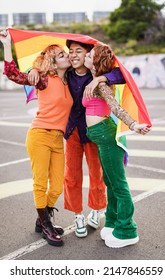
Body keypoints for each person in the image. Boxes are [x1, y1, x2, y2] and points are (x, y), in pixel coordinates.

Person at [28, 39, 126, 238]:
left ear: (88, 55)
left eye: (78, 51)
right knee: (71, 176)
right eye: (70, 51)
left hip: (93, 131)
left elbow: (121, 74)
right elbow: (45, 65)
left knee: (97, 174)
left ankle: (97, 210)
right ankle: (77, 215)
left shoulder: (98, 74)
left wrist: (99, 79)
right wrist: (34, 69)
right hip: (71, 131)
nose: (72, 55)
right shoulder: (67, 74)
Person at [0, 30, 73, 247]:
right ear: (53, 61)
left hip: (58, 140)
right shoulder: (43, 79)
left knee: (58, 186)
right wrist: (6, 44)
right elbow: (12, 73)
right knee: (40, 184)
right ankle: (46, 224)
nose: (67, 56)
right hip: (39, 135)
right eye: (61, 55)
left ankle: (42, 220)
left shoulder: (70, 80)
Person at [82, 42, 150, 248]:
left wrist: (133, 124)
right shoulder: (94, 80)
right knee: (110, 182)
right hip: (101, 138)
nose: (85, 55)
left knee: (119, 185)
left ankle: (127, 229)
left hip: (107, 137)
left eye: (89, 54)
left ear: (96, 60)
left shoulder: (100, 84)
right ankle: (112, 222)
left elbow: (115, 107)